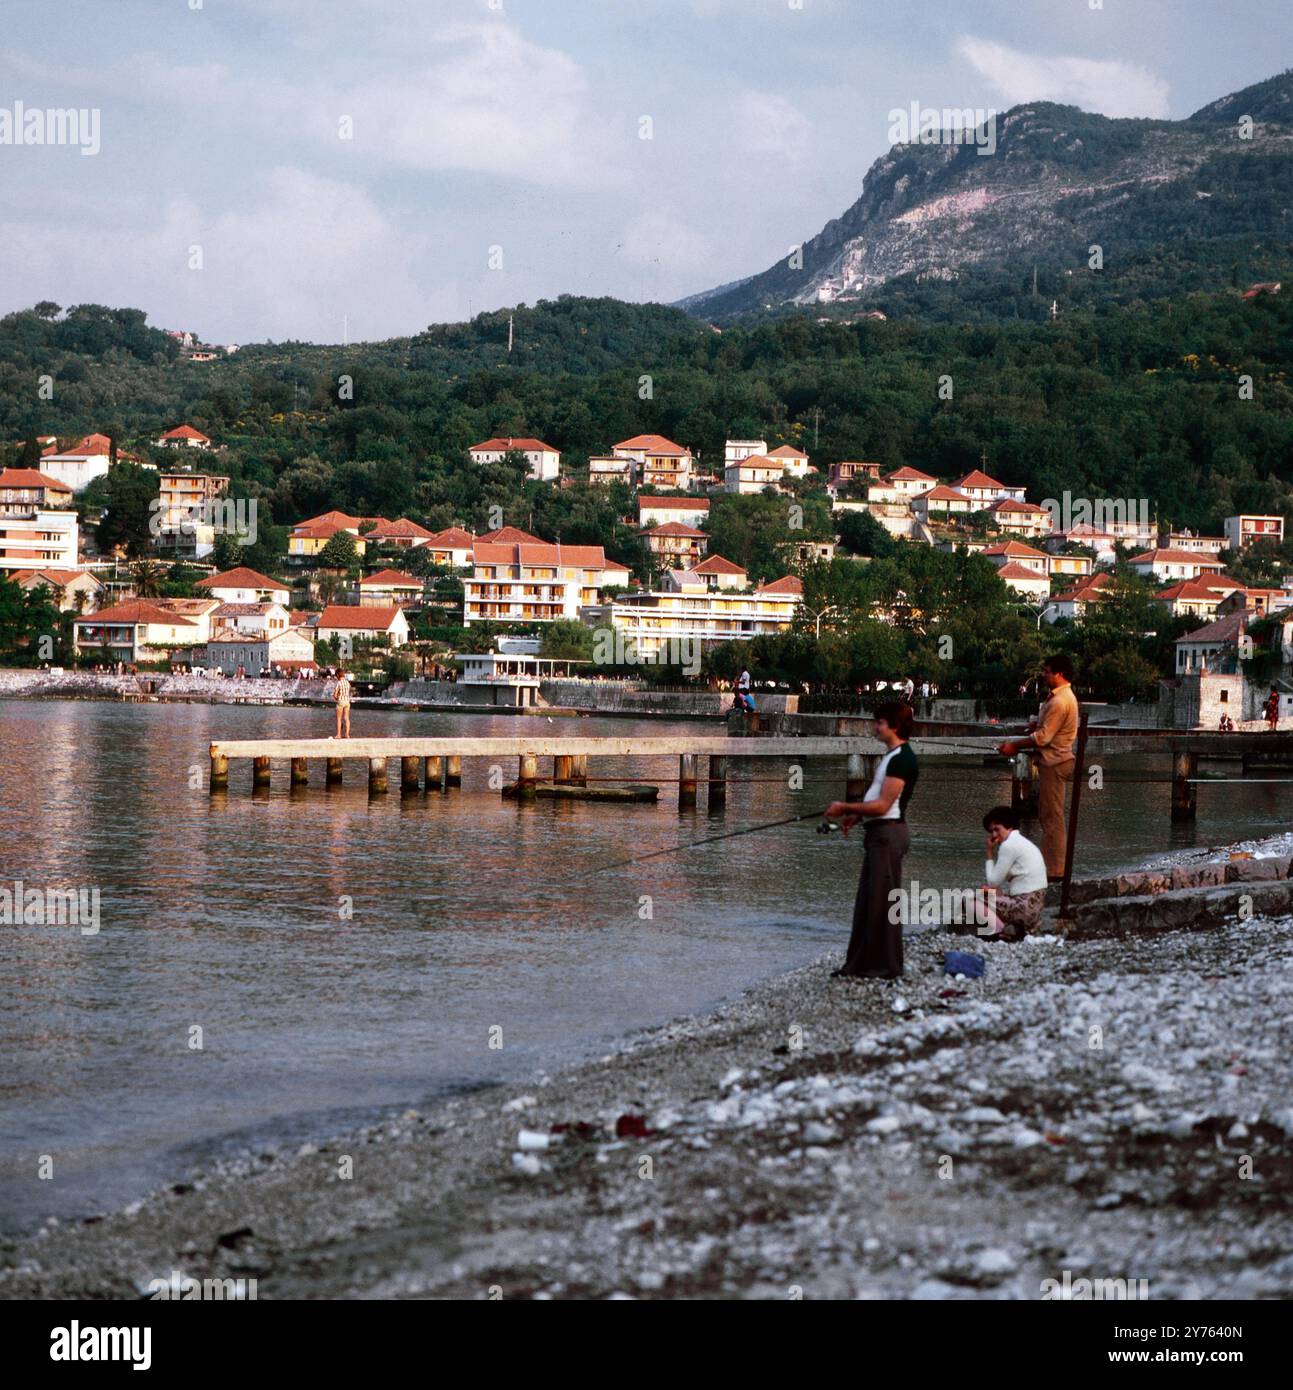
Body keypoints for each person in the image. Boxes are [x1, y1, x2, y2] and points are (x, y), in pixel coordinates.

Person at [824, 701, 919, 980]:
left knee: (884, 904)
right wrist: (857, 817)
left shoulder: (902, 758)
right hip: (879, 834)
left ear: (895, 726)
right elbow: (878, 804)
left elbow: (883, 805)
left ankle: (886, 968)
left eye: (880, 722)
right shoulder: (891, 756)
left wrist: (845, 808)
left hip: (888, 836)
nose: (875, 726)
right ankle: (861, 965)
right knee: (868, 902)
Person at [997, 654, 1078, 883]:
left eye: (1047, 671)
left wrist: (1015, 745)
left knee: (1052, 818)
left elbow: (1043, 738)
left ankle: (1056, 871)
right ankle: (1052, 866)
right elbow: (1046, 729)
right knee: (1048, 816)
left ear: (1059, 674)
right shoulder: (1059, 698)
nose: (1044, 675)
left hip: (1055, 762)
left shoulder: (1061, 701)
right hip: (1054, 761)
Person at [979, 805, 1048, 941]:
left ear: (1009, 827)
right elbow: (996, 884)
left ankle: (1001, 932)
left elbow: (993, 881)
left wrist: (989, 853)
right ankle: (1010, 930)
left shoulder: (1008, 845)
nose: (994, 835)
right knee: (992, 892)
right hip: (1034, 907)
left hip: (1025, 909)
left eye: (997, 829)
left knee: (972, 899)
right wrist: (992, 889)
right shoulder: (1021, 842)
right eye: (991, 831)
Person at [333, 669, 352, 739]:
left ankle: (338, 735)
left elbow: (335, 695)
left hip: (341, 701)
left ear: (338, 675)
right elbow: (348, 691)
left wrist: (336, 698)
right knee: (346, 718)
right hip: (347, 701)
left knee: (339, 718)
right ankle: (347, 734)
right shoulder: (347, 683)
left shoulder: (339, 683)